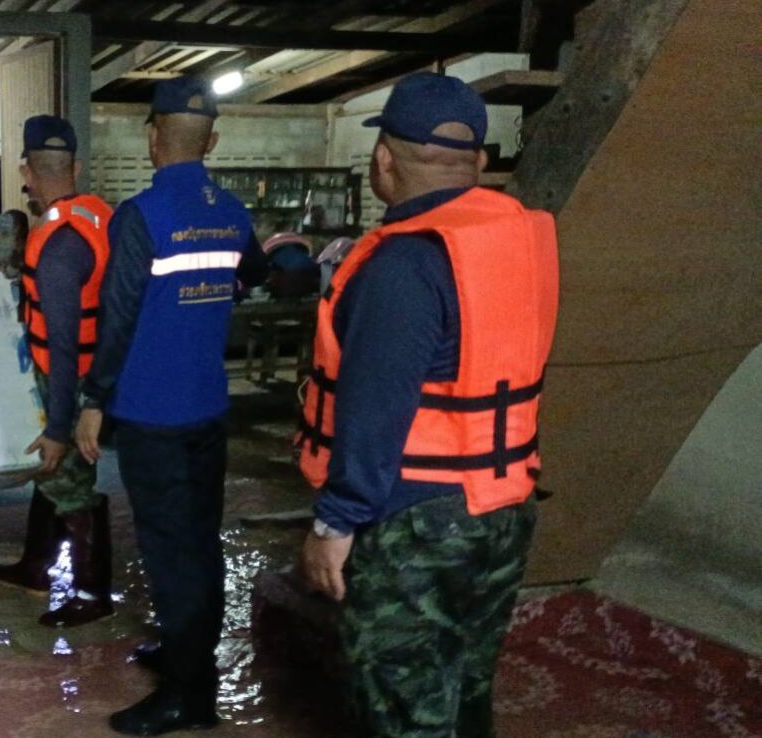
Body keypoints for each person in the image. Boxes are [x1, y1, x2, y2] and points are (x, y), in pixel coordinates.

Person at [294, 72, 559, 738]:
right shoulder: (516, 241)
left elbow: (375, 409)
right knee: (465, 683)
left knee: (404, 706)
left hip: (416, 521)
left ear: (383, 160)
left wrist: (334, 523)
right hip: (503, 506)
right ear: (480, 161)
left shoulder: (404, 262)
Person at [74, 77, 269, 736]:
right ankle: (188, 656)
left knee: (169, 551)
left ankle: (189, 696)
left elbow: (118, 316)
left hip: (152, 413)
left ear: (153, 138)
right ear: (211, 142)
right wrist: (216, 293)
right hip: (208, 407)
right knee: (199, 540)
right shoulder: (233, 212)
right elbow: (256, 273)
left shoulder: (142, 215)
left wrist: (94, 400)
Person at [0, 115, 116, 628]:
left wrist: (60, 427)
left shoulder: (58, 244)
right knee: (51, 475)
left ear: (26, 171)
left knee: (69, 480)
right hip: (90, 367)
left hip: (68, 376)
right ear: (76, 167)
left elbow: (62, 348)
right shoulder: (97, 215)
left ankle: (91, 592)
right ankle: (35, 565)